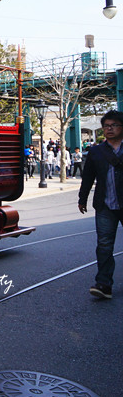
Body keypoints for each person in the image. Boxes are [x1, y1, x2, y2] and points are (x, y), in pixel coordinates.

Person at [78, 110, 123, 300]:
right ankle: (104, 284)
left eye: (113, 125)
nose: (109, 129)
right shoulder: (96, 151)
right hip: (105, 205)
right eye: (106, 126)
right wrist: (82, 198)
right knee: (104, 245)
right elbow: (88, 176)